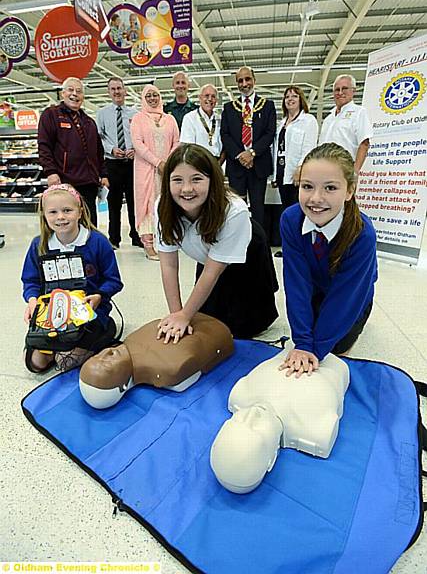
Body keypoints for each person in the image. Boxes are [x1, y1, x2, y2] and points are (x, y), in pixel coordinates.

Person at [155, 144, 278, 342]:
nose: (186, 189)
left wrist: (185, 315)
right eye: (177, 180)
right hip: (207, 254)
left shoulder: (234, 211)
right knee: (203, 319)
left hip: (247, 253)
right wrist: (177, 314)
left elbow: (213, 271)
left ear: (213, 180)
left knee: (241, 327)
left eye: (197, 179)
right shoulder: (162, 207)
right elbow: (168, 264)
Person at [280, 143, 378, 378]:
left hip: (353, 295)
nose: (316, 198)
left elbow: (347, 296)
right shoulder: (290, 220)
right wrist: (302, 342)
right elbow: (297, 282)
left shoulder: (362, 234)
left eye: (330, 188)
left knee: (334, 347)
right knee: (306, 336)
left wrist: (315, 349)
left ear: (349, 191)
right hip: (316, 289)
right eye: (307, 187)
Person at [210, 348, 350, 493]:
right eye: (256, 428)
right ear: (270, 461)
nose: (251, 415)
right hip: (334, 363)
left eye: (237, 421)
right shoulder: (315, 427)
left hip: (292, 350)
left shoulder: (242, 395)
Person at [21, 184, 123, 374]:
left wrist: (100, 296)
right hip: (51, 315)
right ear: (44, 214)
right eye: (53, 212)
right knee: (36, 364)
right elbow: (31, 281)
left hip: (90, 312)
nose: (60, 217)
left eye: (67, 210)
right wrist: (32, 300)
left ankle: (106, 328)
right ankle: (63, 344)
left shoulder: (97, 242)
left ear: (80, 211)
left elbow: (114, 280)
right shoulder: (39, 245)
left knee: (64, 362)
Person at [79, 312, 234, 409]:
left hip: (196, 314)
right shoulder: (168, 371)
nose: (106, 353)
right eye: (106, 364)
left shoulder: (131, 340)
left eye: (96, 357)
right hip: (218, 327)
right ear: (123, 386)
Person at [37, 76, 108, 226]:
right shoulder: (51, 115)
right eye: (70, 90)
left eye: (79, 91)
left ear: (83, 97)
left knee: (89, 222)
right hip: (65, 182)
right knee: (66, 222)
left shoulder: (89, 122)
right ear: (62, 93)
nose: (74, 94)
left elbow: (98, 151)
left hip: (89, 183)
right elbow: (44, 146)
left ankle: (89, 249)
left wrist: (103, 174)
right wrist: (51, 172)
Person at [220, 66, 276, 228]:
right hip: (236, 165)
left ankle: (259, 244)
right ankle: (237, 242)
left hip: (259, 164)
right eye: (240, 81)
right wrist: (240, 155)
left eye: (247, 79)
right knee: (237, 207)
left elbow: (269, 133)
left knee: (258, 207)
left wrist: (252, 153)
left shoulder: (268, 106)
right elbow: (225, 135)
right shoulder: (229, 108)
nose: (244, 83)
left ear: (254, 80)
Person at [130, 84, 179, 260]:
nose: (152, 98)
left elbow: (176, 142)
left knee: (165, 203)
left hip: (166, 170)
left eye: (155, 95)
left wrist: (168, 163)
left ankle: (164, 241)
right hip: (146, 170)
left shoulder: (170, 119)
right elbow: (137, 144)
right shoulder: (138, 119)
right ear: (143, 98)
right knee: (147, 204)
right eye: (148, 95)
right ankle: (149, 245)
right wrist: (157, 162)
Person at [272, 85, 318, 257]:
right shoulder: (282, 123)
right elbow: (277, 149)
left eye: (294, 96)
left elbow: (309, 147)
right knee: (288, 212)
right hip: (283, 173)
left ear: (301, 100)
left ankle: (302, 248)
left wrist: (301, 168)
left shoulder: (308, 121)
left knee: (300, 212)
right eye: (287, 97)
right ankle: (289, 247)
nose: (290, 99)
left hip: (298, 174)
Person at [96, 77, 141, 250]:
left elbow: (139, 137)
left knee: (133, 201)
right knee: (113, 203)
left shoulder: (135, 114)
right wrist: (111, 149)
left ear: (125, 90)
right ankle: (114, 238)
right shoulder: (102, 113)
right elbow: (99, 138)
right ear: (109, 92)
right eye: (113, 89)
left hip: (131, 164)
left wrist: (135, 149)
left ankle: (136, 236)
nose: (116, 92)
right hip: (112, 163)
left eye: (119, 88)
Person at [319, 74, 373, 174]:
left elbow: (364, 144)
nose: (340, 92)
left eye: (344, 89)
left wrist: (355, 171)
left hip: (345, 168)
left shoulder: (359, 112)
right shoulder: (328, 118)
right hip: (324, 169)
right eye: (336, 89)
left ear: (353, 91)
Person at [180, 84, 223, 160]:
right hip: (197, 162)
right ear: (199, 98)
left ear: (216, 100)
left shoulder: (220, 119)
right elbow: (187, 147)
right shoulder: (190, 118)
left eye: (213, 96)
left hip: (217, 162)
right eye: (206, 95)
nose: (210, 99)